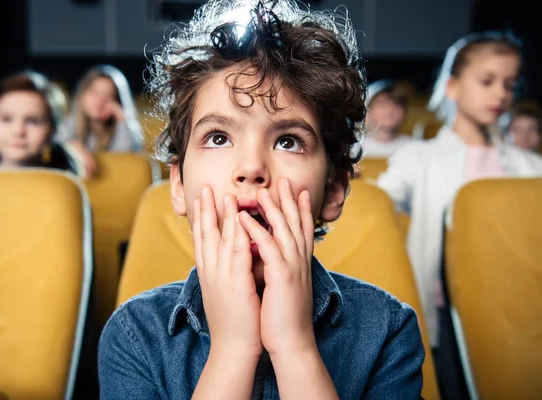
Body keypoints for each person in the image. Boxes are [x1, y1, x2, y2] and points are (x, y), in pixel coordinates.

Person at [98, 1, 425, 398]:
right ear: (180, 184)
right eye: (218, 137)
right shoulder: (134, 334)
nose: (252, 167)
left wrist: (295, 347)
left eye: (288, 141)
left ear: (334, 191)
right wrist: (232, 350)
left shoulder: (388, 330)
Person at [377, 31, 542, 351]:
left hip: (521, 301)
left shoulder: (531, 166)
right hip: (447, 308)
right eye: (486, 81)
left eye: (509, 84)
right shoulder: (419, 157)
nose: (501, 94)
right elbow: (381, 199)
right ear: (452, 86)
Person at [0, 73, 75, 172]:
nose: (18, 131)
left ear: (52, 129)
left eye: (33, 121)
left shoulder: (66, 184)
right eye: (6, 119)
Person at [55, 65, 143, 177]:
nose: (99, 101)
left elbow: (122, 161)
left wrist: (122, 119)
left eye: (109, 97)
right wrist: (73, 148)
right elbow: (54, 142)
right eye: (94, 92)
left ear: (118, 103)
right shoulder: (70, 123)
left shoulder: (121, 127)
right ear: (83, 94)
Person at [362, 79, 412, 158]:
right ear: (368, 110)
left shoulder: (413, 147)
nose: (390, 110)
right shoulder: (354, 149)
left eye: (397, 104)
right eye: (382, 104)